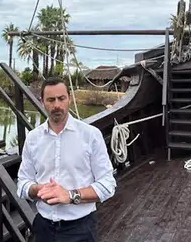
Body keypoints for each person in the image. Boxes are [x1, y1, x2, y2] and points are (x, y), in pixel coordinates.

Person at [16, 77, 116, 242]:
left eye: (61, 98)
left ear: (69, 98)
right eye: (50, 99)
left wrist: (70, 195)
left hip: (80, 229)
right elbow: (22, 183)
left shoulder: (90, 135)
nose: (56, 105)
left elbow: (107, 185)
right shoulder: (33, 138)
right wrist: (37, 189)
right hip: (43, 228)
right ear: (42, 101)